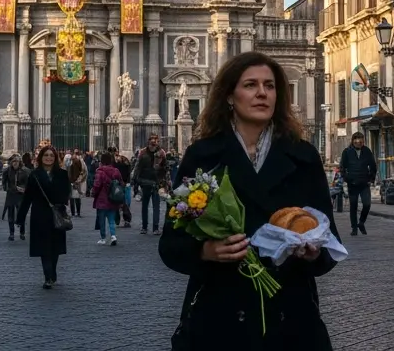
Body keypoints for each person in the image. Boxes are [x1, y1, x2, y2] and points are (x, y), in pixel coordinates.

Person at [159, 51, 339, 349]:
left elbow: (329, 241)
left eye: (269, 86)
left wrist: (314, 253)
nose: (262, 93)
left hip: (291, 318)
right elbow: (170, 245)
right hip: (219, 318)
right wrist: (205, 251)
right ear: (230, 96)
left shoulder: (304, 156)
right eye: (251, 85)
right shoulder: (203, 157)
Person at [18, 144, 72, 288]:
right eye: (46, 155)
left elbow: (66, 194)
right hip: (40, 215)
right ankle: (47, 276)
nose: (49, 158)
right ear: (41, 158)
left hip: (56, 214)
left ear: (55, 158)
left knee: (55, 248)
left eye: (51, 156)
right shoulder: (34, 174)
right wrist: (20, 218)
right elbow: (27, 197)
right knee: (44, 248)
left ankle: (52, 272)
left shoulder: (62, 174)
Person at [337, 132, 376, 235]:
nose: (358, 141)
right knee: (353, 206)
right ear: (353, 140)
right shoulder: (347, 152)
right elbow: (342, 167)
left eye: (361, 139)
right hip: (352, 183)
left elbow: (373, 165)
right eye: (356, 139)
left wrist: (371, 178)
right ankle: (354, 228)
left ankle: (361, 222)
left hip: (364, 183)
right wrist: (346, 178)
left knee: (367, 204)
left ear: (363, 140)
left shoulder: (367, 151)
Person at [132, 134, 168, 234]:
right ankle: (154, 228)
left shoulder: (143, 152)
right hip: (154, 182)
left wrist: (135, 180)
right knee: (155, 206)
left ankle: (145, 227)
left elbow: (137, 167)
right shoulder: (161, 152)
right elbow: (166, 168)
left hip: (147, 182)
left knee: (146, 206)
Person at [89, 150, 123, 245]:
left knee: (102, 220)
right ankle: (113, 236)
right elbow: (121, 183)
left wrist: (93, 192)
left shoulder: (100, 171)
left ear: (102, 161)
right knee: (111, 220)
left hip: (102, 199)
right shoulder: (116, 171)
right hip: (113, 198)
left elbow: (97, 185)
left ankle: (103, 238)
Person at [1, 154, 29, 241]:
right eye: (13, 162)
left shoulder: (25, 171)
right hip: (11, 195)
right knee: (10, 215)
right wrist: (8, 189)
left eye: (16, 161)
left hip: (20, 195)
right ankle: (11, 233)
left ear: (19, 162)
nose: (15, 163)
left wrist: (23, 188)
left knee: (21, 214)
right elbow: (4, 182)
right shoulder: (7, 171)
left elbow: (28, 183)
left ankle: (22, 232)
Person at [112, 148, 134, 227]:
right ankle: (125, 220)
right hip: (123, 185)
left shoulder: (117, 164)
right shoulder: (126, 164)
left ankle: (118, 220)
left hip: (119, 185)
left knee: (118, 203)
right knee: (124, 204)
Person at [66, 149, 87, 217]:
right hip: (72, 181)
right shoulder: (69, 162)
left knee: (75, 198)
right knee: (73, 198)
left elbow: (83, 171)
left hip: (75, 181)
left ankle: (76, 213)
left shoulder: (79, 161)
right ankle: (75, 213)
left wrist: (79, 180)